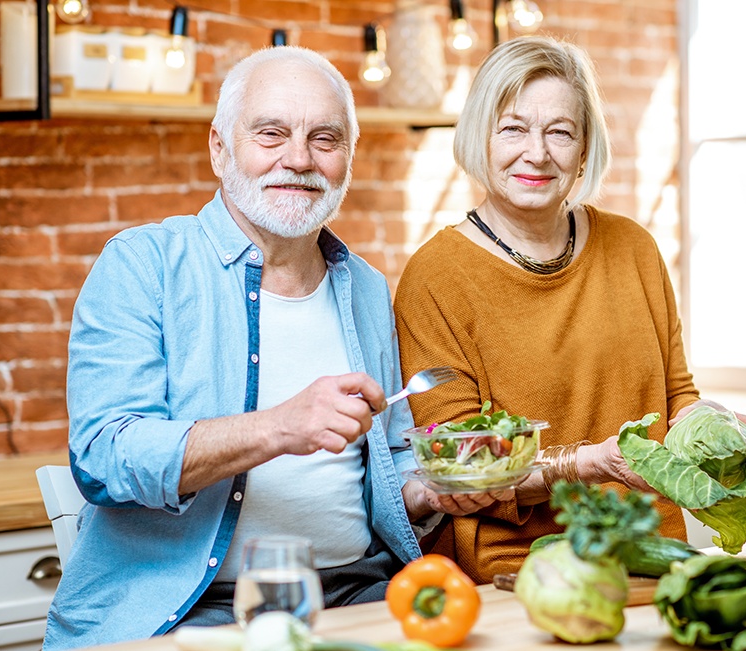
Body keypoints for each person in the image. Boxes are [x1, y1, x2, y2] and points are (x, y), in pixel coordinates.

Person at [44, 46, 496, 650]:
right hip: (190, 610)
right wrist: (278, 427)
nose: (299, 159)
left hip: (358, 594)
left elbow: (391, 458)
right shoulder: (143, 264)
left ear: (348, 158)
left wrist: (431, 490)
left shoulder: (363, 286)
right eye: (271, 134)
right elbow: (104, 457)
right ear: (219, 149)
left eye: (324, 139)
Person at [393, 35, 746, 585]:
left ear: (585, 147)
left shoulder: (634, 248)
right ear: (478, 136)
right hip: (519, 573)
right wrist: (585, 465)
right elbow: (465, 470)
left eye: (560, 132)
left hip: (652, 557)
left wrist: (709, 425)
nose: (537, 153)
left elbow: (675, 395)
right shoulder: (435, 276)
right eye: (513, 128)